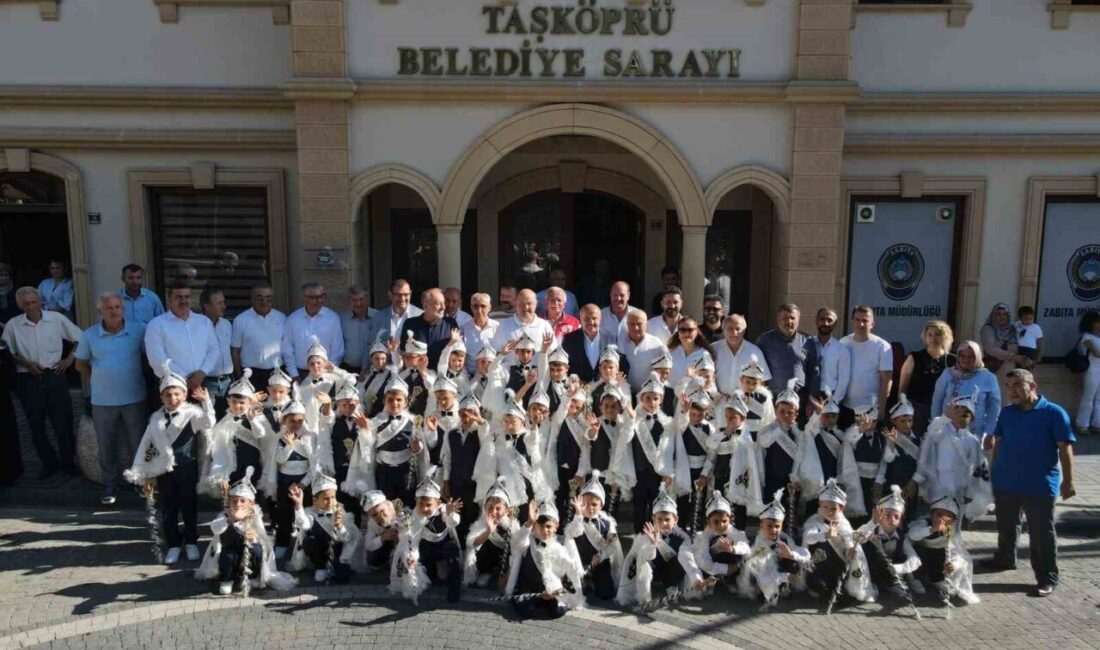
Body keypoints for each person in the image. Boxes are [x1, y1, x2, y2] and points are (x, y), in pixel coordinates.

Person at [986, 369, 1075, 597]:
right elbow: (999, 442)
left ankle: (1047, 578)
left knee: (1041, 533)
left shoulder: (1054, 412)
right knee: (1006, 525)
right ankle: (1005, 558)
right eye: (1008, 386)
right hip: (1006, 482)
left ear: (1033, 386)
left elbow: (1065, 449)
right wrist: (994, 472)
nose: (1011, 391)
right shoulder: (1007, 412)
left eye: (1017, 385)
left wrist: (1068, 482)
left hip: (1039, 485)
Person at [124, 366, 215, 565]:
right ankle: (173, 544)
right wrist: (148, 475)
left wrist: (206, 401)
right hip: (164, 470)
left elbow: (208, 422)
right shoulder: (156, 419)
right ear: (161, 397)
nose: (173, 398)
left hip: (186, 467)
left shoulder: (192, 414)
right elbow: (148, 447)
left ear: (184, 394)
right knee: (168, 507)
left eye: (176, 394)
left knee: (189, 505)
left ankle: (191, 541)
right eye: (168, 395)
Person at [2, 286, 82, 478]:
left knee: (63, 421)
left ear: (40, 302)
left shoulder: (56, 319)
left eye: (34, 302)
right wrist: (26, 363)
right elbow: (6, 352)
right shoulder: (13, 325)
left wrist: (69, 360)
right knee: (36, 424)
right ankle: (49, 464)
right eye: (26, 304)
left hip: (54, 374)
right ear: (20, 305)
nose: (31, 307)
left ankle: (68, 463)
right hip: (27, 378)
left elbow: (81, 338)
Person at [75, 292, 147, 504]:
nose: (114, 311)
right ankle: (110, 485)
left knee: (139, 444)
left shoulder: (138, 331)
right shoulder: (89, 335)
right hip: (103, 401)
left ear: (122, 309)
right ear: (100, 311)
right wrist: (98, 378)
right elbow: (80, 364)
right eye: (109, 308)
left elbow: (147, 357)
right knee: (106, 446)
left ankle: (140, 482)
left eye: (117, 307)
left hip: (134, 397)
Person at [194, 467, 295, 595]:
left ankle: (252, 576)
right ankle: (227, 579)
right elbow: (215, 528)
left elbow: (264, 539)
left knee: (257, 550)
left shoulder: (255, 517)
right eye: (235, 500)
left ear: (250, 503)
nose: (238, 504)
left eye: (242, 501)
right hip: (230, 553)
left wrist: (255, 537)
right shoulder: (225, 515)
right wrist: (232, 518)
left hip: (247, 555)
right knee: (228, 555)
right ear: (230, 502)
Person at [616, 485, 704, 607]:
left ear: (676, 520)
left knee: (679, 559)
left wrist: (696, 578)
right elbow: (644, 558)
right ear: (653, 519)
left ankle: (671, 585)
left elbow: (688, 559)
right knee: (643, 563)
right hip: (655, 572)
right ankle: (644, 597)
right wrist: (653, 543)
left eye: (667, 520)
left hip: (671, 572)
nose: (663, 523)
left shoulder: (681, 538)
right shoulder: (646, 535)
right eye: (659, 519)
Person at [506, 500, 585, 618]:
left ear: (556, 527)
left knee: (557, 611)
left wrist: (558, 591)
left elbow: (569, 570)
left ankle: (545, 604)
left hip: (550, 591)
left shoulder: (559, 548)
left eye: (548, 526)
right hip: (529, 589)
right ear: (534, 526)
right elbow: (517, 541)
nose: (544, 530)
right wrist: (529, 522)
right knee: (528, 612)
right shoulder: (528, 541)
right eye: (540, 526)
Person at [800, 479, 873, 604]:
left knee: (842, 591)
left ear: (841, 508)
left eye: (833, 509)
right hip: (818, 568)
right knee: (820, 587)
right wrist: (825, 535)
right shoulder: (814, 521)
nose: (829, 511)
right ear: (820, 504)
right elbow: (808, 537)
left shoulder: (844, 524)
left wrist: (850, 553)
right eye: (825, 507)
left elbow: (849, 543)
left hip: (837, 568)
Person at [736, 488, 810, 605]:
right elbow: (761, 570)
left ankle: (783, 588)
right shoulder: (760, 543)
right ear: (761, 526)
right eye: (769, 526)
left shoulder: (785, 539)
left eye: (777, 526)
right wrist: (785, 577)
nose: (774, 530)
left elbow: (803, 553)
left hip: (780, 572)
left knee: (793, 562)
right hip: (766, 576)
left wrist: (791, 554)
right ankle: (766, 592)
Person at [145, 282, 220, 391]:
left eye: (187, 297)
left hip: (202, 383)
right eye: (178, 297)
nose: (183, 301)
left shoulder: (204, 322)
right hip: (171, 388)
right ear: (169, 299)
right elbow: (157, 359)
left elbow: (214, 349)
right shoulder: (156, 325)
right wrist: (183, 379)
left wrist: (202, 372)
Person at [288, 473, 361, 584]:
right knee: (309, 541)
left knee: (342, 578)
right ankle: (320, 566)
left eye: (333, 497)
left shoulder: (341, 512)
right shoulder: (311, 513)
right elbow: (303, 524)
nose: (331, 502)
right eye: (326, 499)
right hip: (320, 550)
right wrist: (299, 505)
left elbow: (347, 539)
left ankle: (337, 567)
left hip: (337, 552)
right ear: (315, 500)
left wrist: (339, 525)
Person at [854, 485, 921, 605]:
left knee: (901, 556)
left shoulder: (901, 537)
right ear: (879, 516)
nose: (892, 519)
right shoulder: (870, 529)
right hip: (869, 569)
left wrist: (899, 568)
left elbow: (915, 559)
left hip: (889, 570)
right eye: (887, 515)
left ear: (900, 521)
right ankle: (869, 584)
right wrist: (872, 523)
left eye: (896, 517)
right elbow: (855, 538)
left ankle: (892, 583)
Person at [908, 496, 979, 606]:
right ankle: (914, 578)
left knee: (951, 565)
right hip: (921, 555)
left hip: (937, 557)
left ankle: (937, 580)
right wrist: (932, 529)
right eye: (938, 514)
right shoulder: (924, 523)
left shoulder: (951, 532)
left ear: (953, 520)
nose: (941, 519)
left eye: (948, 517)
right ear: (931, 514)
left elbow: (957, 553)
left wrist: (953, 565)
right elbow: (913, 534)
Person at [563, 472, 623, 601]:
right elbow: (574, 532)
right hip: (580, 562)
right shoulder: (577, 519)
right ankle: (585, 580)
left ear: (601, 505)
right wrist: (578, 513)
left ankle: (594, 581)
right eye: (586, 504)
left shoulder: (607, 523)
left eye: (594, 504)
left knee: (606, 593)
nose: (590, 508)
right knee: (574, 590)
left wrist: (601, 557)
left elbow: (612, 546)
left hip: (600, 561)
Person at [755, 303, 819, 418]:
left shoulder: (808, 341)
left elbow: (814, 372)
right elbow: (758, 370)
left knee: (798, 429)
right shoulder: (765, 340)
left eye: (792, 318)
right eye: (785, 318)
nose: (789, 321)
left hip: (800, 399)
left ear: (798, 320)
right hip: (773, 399)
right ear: (778, 319)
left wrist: (812, 399)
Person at [930, 340, 1001, 442]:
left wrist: (989, 433)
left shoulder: (988, 377)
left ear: (978, 357)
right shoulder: (948, 374)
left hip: (975, 432)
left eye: (971, 356)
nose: (966, 360)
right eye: (962, 356)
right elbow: (937, 401)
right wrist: (935, 426)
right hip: (947, 429)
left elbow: (994, 408)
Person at [897, 320, 955, 434]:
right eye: (930, 334)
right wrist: (903, 409)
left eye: (937, 334)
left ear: (945, 337)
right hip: (917, 410)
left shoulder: (953, 360)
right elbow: (902, 388)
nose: (933, 338)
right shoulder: (914, 357)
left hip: (944, 410)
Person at [839, 306, 893, 429]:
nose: (861, 324)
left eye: (865, 321)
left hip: (870, 409)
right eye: (857, 320)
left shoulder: (882, 346)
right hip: (845, 407)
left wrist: (881, 412)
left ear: (872, 324)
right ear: (852, 321)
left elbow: (887, 380)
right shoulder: (843, 343)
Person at [463, 478, 518, 588]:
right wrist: (488, 531)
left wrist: (507, 576)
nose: (493, 512)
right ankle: (486, 571)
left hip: (504, 562)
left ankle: (503, 575)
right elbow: (471, 544)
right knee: (484, 544)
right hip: (487, 559)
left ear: (506, 510)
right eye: (490, 507)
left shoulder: (512, 526)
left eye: (498, 508)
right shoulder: (481, 523)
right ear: (484, 507)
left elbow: (517, 553)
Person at [230, 282, 286, 391]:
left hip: (278, 374)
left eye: (268, 298)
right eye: (260, 298)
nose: (264, 302)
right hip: (251, 375)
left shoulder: (282, 318)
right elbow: (235, 353)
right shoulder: (240, 320)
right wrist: (240, 377)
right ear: (252, 299)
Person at [282, 282, 344, 379]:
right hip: (300, 374)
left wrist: (330, 373)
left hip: (326, 374)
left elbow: (337, 350)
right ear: (304, 298)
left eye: (321, 296)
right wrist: (294, 374)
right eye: (313, 297)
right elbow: (287, 349)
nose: (318, 301)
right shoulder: (293, 319)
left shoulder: (333, 318)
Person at [692, 490, 750, 587]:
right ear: (708, 521)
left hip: (731, 566)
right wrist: (725, 569)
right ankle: (711, 583)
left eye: (724, 521)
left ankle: (730, 581)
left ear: (729, 520)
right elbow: (703, 561)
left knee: (739, 557)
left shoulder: (733, 531)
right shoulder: (703, 536)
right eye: (716, 521)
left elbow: (745, 547)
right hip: (712, 568)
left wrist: (732, 549)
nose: (721, 525)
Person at [489, 289, 556, 364]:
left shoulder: (544, 326)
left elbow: (554, 354)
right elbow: (493, 353)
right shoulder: (503, 325)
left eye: (529, 303)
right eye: (521, 304)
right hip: (509, 371)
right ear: (516, 304)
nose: (525, 307)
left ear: (536, 304)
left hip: (538, 370)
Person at [980, 302, 1032, 394]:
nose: (1002, 317)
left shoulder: (1013, 329)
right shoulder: (988, 329)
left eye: (1005, 314)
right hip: (995, 370)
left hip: (1013, 372)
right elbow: (990, 349)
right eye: (999, 314)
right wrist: (1013, 357)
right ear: (993, 315)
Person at [713, 314, 769, 398]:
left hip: (745, 402)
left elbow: (762, 381)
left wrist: (750, 398)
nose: (734, 333)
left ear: (744, 330)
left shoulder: (755, 352)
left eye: (738, 329)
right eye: (730, 329)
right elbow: (705, 376)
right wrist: (718, 394)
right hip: (717, 401)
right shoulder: (713, 349)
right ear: (723, 329)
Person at [401, 288, 458, 368]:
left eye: (443, 303)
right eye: (438, 304)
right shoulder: (410, 324)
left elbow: (458, 353)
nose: (443, 307)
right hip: (416, 373)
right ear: (425, 306)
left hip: (442, 373)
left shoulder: (450, 324)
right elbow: (403, 353)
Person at [561, 304, 618, 384]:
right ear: (580, 319)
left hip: (605, 388)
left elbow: (621, 363)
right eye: (586, 318)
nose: (591, 322)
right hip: (579, 389)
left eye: (594, 318)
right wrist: (574, 381)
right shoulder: (569, 340)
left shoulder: (611, 339)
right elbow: (563, 366)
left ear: (600, 319)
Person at [200, 287, 233, 416]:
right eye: (219, 303)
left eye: (223, 302)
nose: (224, 306)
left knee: (227, 420)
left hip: (227, 382)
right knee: (207, 420)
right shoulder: (197, 326)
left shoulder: (227, 325)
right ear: (207, 306)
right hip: (207, 382)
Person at [619, 309, 669, 392]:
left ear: (646, 325)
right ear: (627, 325)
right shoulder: (620, 342)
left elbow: (664, 369)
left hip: (647, 394)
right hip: (625, 393)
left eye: (639, 324)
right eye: (632, 324)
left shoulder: (656, 344)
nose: (635, 328)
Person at [813, 308, 850, 414]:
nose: (825, 323)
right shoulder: (807, 345)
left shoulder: (841, 349)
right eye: (822, 319)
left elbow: (844, 379)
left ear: (835, 324)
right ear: (816, 321)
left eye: (829, 320)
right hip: (810, 398)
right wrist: (809, 400)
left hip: (832, 396)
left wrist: (834, 402)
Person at [118, 264, 165, 336]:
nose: (135, 281)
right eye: (131, 278)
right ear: (123, 279)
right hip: (124, 340)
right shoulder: (115, 299)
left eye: (138, 278)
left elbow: (162, 321)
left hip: (148, 340)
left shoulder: (152, 298)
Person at [340, 285, 377, 373]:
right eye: (354, 300)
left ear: (367, 299)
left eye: (361, 299)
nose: (358, 304)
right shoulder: (342, 319)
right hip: (348, 370)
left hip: (373, 369)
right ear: (349, 300)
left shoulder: (378, 317)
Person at [460, 293, 499, 376]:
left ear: (489, 308)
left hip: (493, 376)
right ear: (471, 307)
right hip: (471, 376)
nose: (479, 310)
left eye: (483, 306)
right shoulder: (464, 328)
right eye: (475, 306)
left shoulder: (497, 327)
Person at [668, 316, 713, 387]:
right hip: (669, 392)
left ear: (697, 332)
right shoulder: (670, 351)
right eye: (682, 330)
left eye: (690, 330)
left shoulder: (704, 354)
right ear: (678, 332)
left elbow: (708, 382)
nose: (686, 333)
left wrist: (693, 377)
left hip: (691, 393)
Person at [1075, 311, 1100, 435]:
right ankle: (1082, 424)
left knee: (1099, 399)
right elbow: (1097, 352)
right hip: (1091, 370)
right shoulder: (1086, 337)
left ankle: (1097, 424)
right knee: (1088, 397)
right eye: (1097, 322)